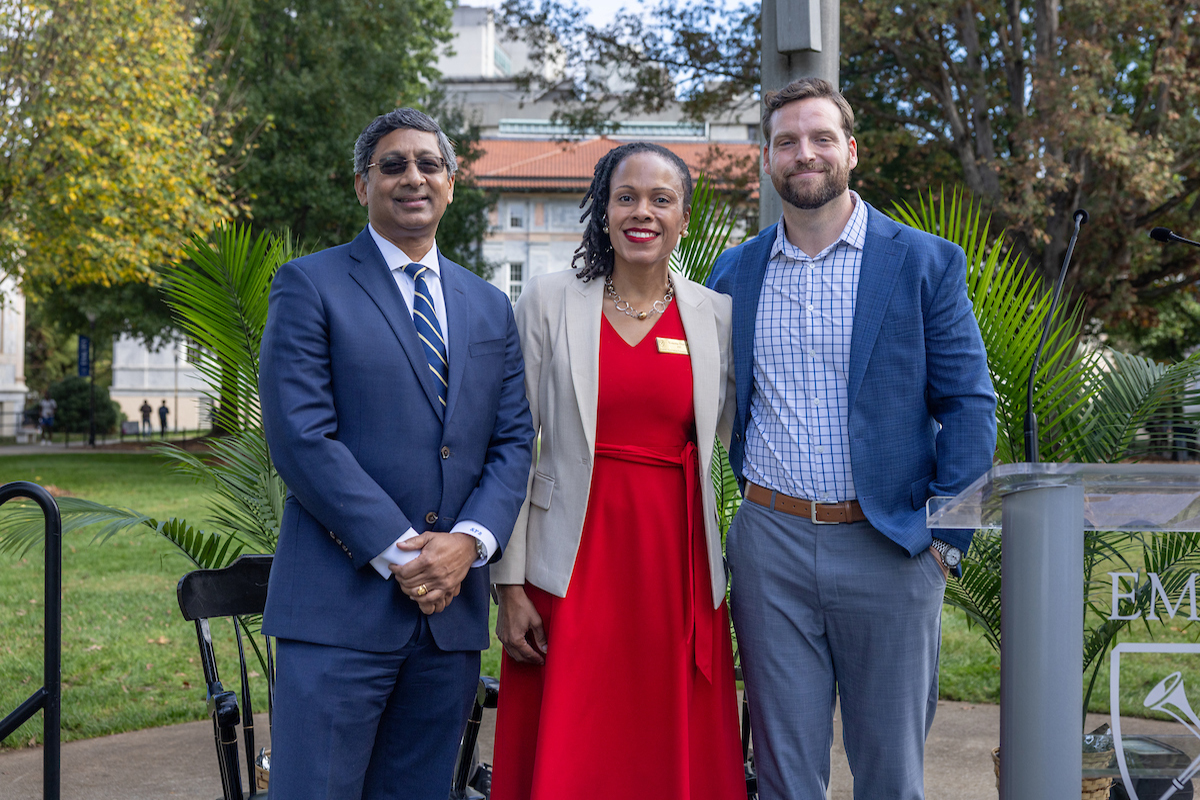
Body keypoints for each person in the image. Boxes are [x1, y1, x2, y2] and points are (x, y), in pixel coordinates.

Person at [707, 78, 997, 800]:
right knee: (783, 770)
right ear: (767, 159)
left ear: (850, 151)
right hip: (770, 544)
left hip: (892, 546)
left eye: (820, 138)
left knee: (890, 771)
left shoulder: (925, 262)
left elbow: (969, 404)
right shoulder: (733, 273)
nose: (804, 154)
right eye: (786, 141)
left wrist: (944, 541)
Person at [258, 107, 535, 800]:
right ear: (362, 185)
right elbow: (300, 435)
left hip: (448, 625)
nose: (413, 177)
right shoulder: (309, 284)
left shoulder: (489, 306)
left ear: (450, 184)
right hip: (337, 612)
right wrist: (404, 552)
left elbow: (512, 441)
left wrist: (467, 544)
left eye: (429, 164)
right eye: (393, 165)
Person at [489, 142, 744, 800]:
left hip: (676, 564)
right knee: (577, 742)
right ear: (603, 211)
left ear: (684, 218)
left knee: (663, 742)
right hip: (568, 564)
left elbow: (747, 439)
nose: (642, 212)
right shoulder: (547, 303)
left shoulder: (717, 317)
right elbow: (513, 444)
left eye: (661, 200)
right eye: (626, 196)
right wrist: (510, 585)